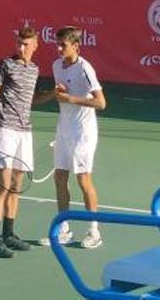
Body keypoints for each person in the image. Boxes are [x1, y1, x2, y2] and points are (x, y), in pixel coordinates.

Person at [0, 26, 54, 258]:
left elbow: (32, 99)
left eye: (26, 44)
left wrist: (54, 94)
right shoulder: (5, 65)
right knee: (2, 186)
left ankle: (9, 234)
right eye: (19, 43)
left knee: (16, 185)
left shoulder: (33, 69)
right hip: (5, 130)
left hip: (25, 132)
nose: (21, 48)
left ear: (35, 45)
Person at [41, 26, 107, 249]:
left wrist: (72, 99)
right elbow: (62, 93)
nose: (59, 49)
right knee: (59, 178)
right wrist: (59, 93)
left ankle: (94, 231)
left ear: (76, 46)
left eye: (63, 45)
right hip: (63, 129)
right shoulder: (56, 65)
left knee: (83, 180)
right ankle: (65, 229)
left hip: (83, 132)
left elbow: (101, 102)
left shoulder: (85, 68)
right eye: (57, 44)